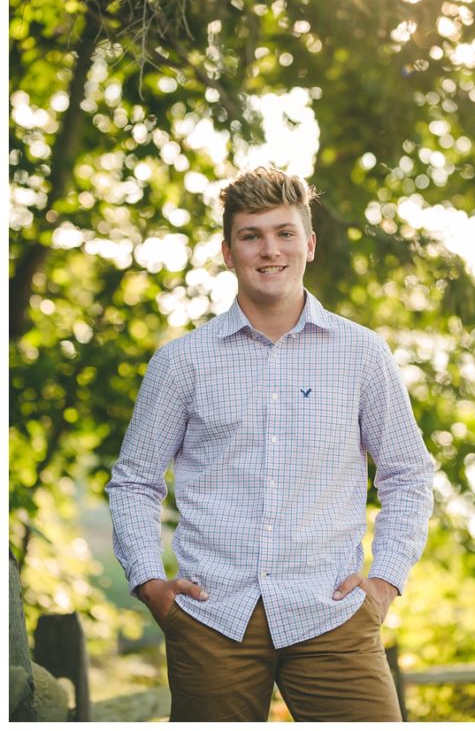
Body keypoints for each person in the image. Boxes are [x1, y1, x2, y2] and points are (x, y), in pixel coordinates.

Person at [107, 169, 434, 722]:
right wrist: (150, 585)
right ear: (228, 252)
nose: (270, 250)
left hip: (332, 615)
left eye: (284, 233)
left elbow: (407, 473)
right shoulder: (182, 362)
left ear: (309, 243)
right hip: (212, 619)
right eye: (251, 235)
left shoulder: (361, 354)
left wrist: (384, 583)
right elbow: (134, 482)